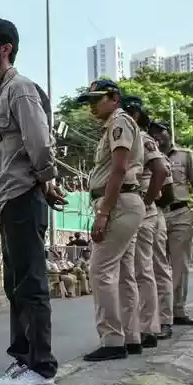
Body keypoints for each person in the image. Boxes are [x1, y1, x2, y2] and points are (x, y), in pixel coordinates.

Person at [0, 16, 60, 385]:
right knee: (16, 286)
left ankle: (41, 367)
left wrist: (46, 177)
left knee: (30, 284)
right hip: (8, 200)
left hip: (23, 195)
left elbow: (39, 142)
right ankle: (24, 361)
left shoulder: (19, 89)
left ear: (5, 49)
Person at [76, 79, 145, 362]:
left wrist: (103, 212)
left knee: (100, 270)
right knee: (124, 275)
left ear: (115, 97)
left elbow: (118, 169)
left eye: (97, 99)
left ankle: (112, 340)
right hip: (124, 203)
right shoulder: (114, 125)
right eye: (89, 101)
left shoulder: (119, 122)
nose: (92, 106)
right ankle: (131, 337)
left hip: (117, 204)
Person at [120, 96, 173, 348]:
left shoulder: (141, 137)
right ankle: (140, 328)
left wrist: (147, 199)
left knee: (142, 269)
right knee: (134, 270)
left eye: (131, 111)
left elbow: (161, 170)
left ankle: (148, 327)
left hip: (141, 208)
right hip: (132, 207)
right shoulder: (127, 136)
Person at [149, 120, 193, 327]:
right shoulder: (145, 153)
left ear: (169, 133)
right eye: (152, 132)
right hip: (154, 212)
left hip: (180, 213)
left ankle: (178, 310)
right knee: (155, 265)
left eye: (160, 131)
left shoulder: (185, 155)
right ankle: (160, 312)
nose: (156, 135)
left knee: (179, 265)